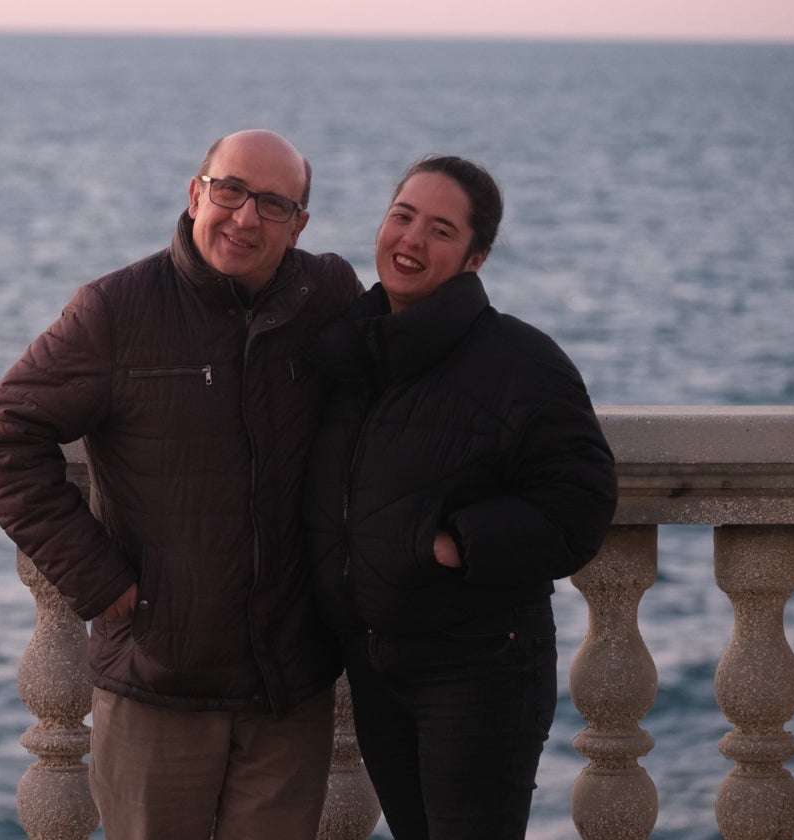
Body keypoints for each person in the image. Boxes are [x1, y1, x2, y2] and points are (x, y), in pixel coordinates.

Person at [0, 129, 361, 840]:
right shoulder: (116, 311)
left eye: (273, 204)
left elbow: (398, 395)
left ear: (299, 225)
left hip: (290, 686)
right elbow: (4, 434)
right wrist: (101, 581)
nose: (245, 217)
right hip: (159, 681)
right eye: (230, 191)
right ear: (195, 194)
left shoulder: (326, 296)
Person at [302, 155, 618, 839]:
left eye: (441, 230)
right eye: (403, 216)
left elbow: (582, 505)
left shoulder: (520, 361)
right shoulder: (349, 354)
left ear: (475, 257)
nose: (412, 240)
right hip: (376, 666)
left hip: (479, 672)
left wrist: (457, 543)